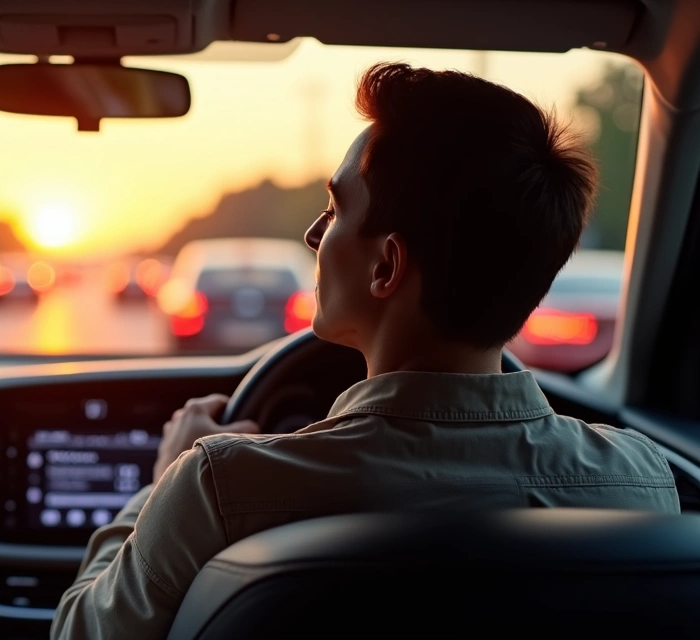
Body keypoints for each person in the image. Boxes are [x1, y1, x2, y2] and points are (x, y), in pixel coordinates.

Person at [51, 62, 680, 640]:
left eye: (333, 208)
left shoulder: (217, 488)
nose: (313, 234)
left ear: (386, 265)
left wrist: (157, 487)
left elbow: (78, 630)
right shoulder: (641, 483)